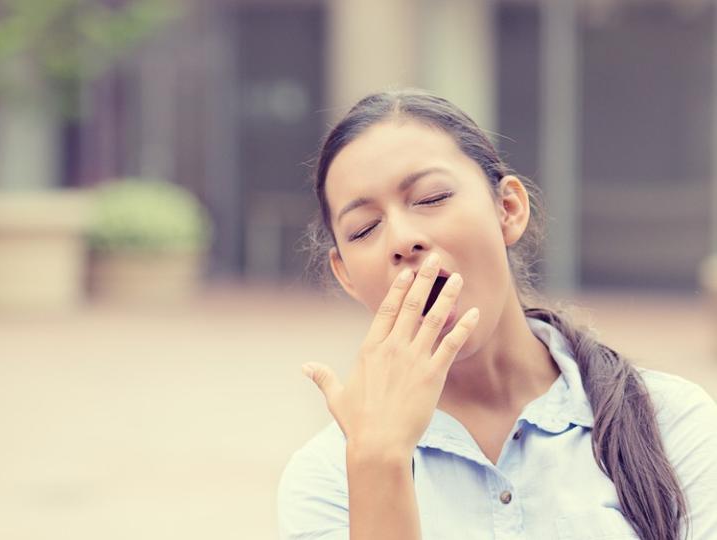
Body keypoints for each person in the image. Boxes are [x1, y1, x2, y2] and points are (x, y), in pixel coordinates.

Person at [278, 89, 717, 540]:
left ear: (508, 209)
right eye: (365, 229)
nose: (402, 239)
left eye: (430, 198)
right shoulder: (327, 479)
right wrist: (379, 464)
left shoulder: (673, 425)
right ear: (345, 275)